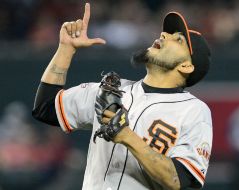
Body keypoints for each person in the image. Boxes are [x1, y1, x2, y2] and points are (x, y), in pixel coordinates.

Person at [32, 3, 212, 190]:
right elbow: (45, 108)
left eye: (178, 40)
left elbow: (179, 181)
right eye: (166, 33)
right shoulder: (112, 90)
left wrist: (126, 136)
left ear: (186, 66)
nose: (164, 35)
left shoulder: (194, 111)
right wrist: (65, 50)